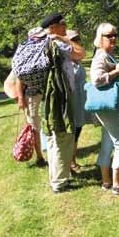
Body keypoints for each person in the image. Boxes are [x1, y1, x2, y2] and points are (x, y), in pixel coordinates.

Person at [41, 13, 85, 194]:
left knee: (53, 138)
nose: (65, 25)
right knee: (62, 137)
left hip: (48, 95)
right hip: (60, 96)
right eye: (62, 23)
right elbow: (81, 53)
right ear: (53, 27)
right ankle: (59, 182)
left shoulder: (39, 41)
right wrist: (64, 38)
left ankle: (56, 177)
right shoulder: (57, 42)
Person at [90, 23, 119, 195]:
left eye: (115, 35)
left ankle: (106, 181)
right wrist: (117, 71)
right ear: (100, 38)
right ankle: (117, 185)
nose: (113, 38)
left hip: (111, 106)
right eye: (109, 35)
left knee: (108, 142)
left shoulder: (108, 55)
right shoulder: (100, 57)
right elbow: (96, 80)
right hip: (107, 107)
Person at [9, 27, 48, 167]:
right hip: (33, 94)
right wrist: (20, 98)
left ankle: (44, 153)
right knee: (34, 127)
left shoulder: (29, 51)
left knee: (37, 124)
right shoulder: (29, 54)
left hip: (38, 93)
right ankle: (40, 157)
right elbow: (19, 79)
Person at [66, 29, 87, 174]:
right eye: (73, 40)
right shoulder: (66, 61)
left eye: (77, 39)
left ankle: (72, 160)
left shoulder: (78, 61)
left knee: (77, 131)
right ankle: (69, 163)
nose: (76, 42)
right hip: (71, 102)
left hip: (80, 101)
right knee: (71, 133)